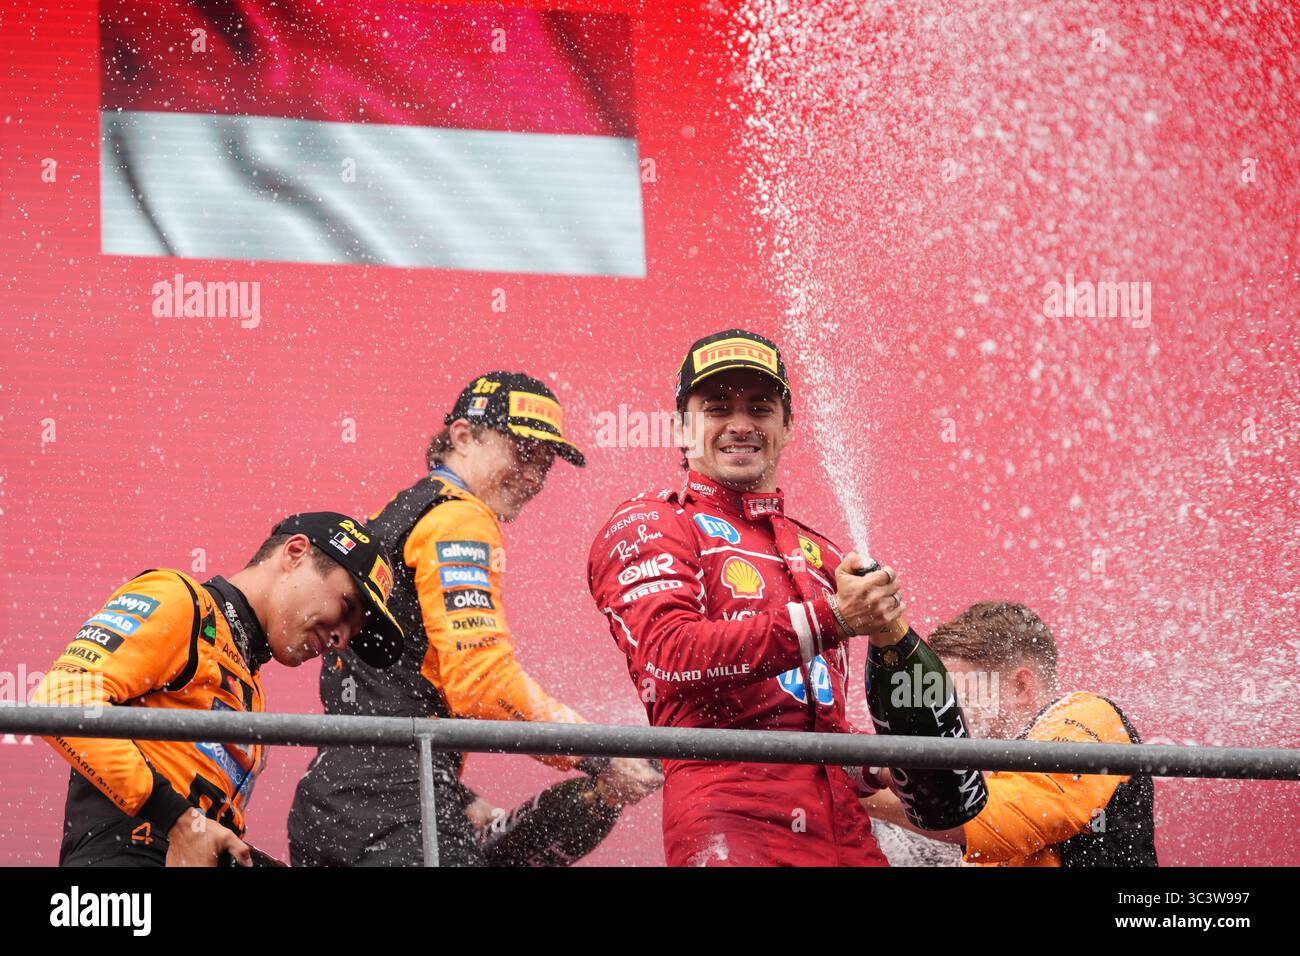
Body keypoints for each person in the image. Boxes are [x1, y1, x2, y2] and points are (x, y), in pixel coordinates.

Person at [588, 328, 932, 867]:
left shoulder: (822, 551)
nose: (741, 424)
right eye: (718, 407)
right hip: (732, 828)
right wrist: (836, 616)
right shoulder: (650, 521)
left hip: (847, 837)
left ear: (788, 426)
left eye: (762, 408)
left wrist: (891, 766)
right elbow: (667, 657)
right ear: (682, 427)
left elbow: (816, 726)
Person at [290, 372, 661, 867]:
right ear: (463, 436)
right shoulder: (459, 518)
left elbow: (381, 688)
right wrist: (600, 751)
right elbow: (481, 682)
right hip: (397, 811)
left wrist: (458, 801)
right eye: (522, 452)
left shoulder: (393, 516)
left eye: (544, 465)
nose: (532, 477)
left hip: (329, 805)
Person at [32, 513, 404, 867]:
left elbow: (205, 830)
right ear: (294, 553)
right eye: (346, 605)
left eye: (352, 632)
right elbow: (62, 698)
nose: (341, 638)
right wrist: (179, 820)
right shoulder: (182, 601)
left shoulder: (250, 686)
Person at [862, 602, 1158, 866]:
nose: (943, 709)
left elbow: (992, 822)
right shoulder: (1002, 775)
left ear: (1020, 687)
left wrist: (865, 792)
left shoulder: (1087, 715)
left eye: (954, 693)